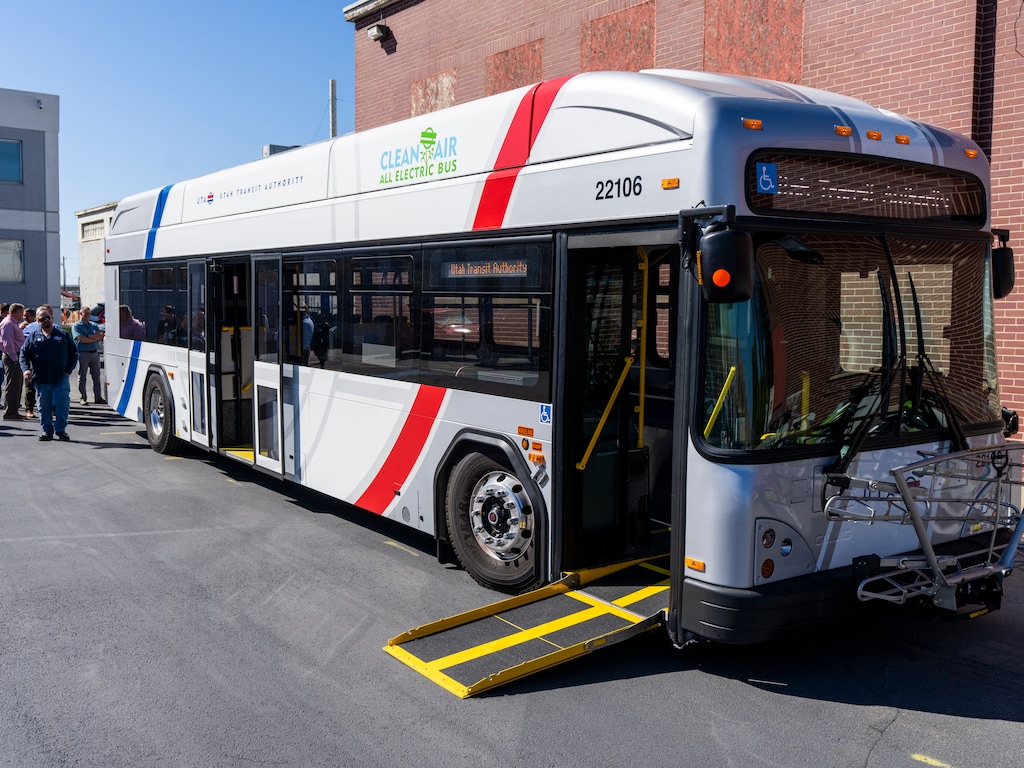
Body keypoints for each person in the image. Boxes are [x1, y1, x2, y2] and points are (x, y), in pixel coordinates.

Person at [20, 307, 78, 441]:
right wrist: (26, 370)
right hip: (42, 378)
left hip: (60, 377)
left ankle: (61, 430)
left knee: (61, 403)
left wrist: (68, 370)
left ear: (52, 318)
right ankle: (47, 431)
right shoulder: (33, 337)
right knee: (44, 406)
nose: (45, 320)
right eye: (42, 319)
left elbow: (74, 353)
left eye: (47, 317)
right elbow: (24, 354)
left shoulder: (63, 335)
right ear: (37, 322)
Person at [72, 305, 106, 405]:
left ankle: (98, 397)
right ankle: (83, 397)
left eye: (89, 314)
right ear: (80, 314)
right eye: (85, 313)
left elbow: (100, 336)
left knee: (97, 376)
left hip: (94, 353)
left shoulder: (94, 325)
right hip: (83, 353)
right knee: (82, 376)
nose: (87, 315)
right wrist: (92, 337)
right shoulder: (76, 326)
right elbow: (81, 339)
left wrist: (88, 336)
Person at [0, 303, 26, 420]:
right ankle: (9, 412)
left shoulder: (13, 323)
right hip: (12, 357)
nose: (23, 315)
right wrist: (15, 359)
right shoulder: (8, 324)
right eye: (21, 312)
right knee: (12, 385)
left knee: (17, 385)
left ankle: (13, 410)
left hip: (16, 356)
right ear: (16, 312)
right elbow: (8, 343)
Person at [19, 307, 36, 417]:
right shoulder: (22, 327)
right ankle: (29, 408)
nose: (25, 318)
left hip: (40, 359)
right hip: (29, 358)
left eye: (27, 316)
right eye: (24, 315)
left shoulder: (37, 326)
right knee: (29, 385)